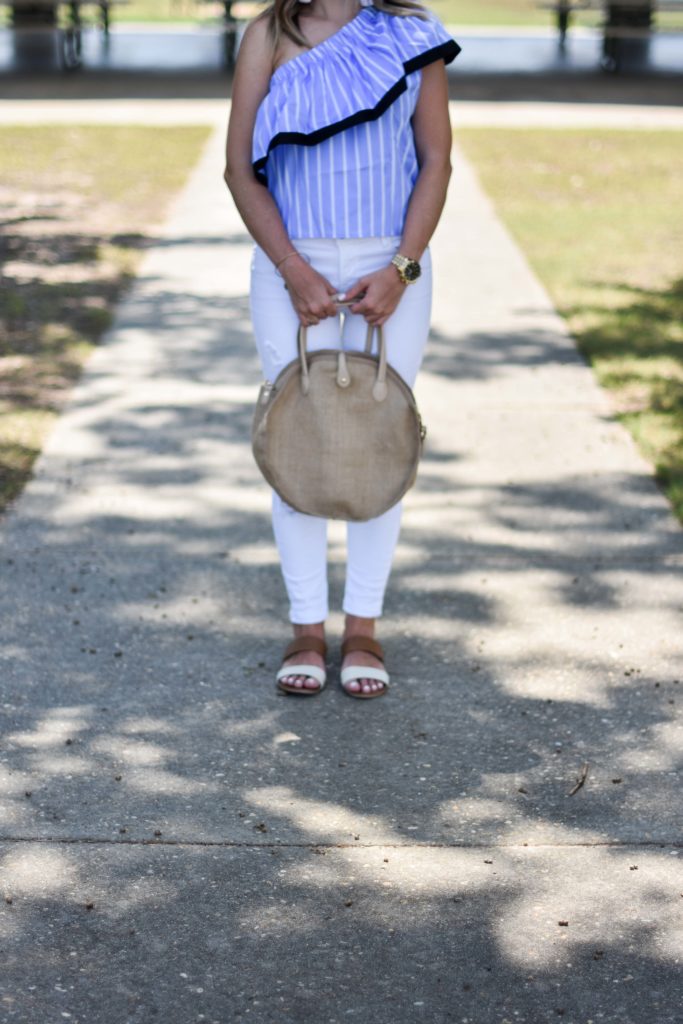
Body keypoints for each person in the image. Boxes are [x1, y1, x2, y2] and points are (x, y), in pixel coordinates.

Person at [224, 0, 461, 699]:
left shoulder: (413, 32)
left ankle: (362, 627)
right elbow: (240, 169)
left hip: (390, 271)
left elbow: (437, 160)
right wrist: (293, 270)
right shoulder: (268, 33)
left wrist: (402, 269)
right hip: (287, 268)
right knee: (296, 435)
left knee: (375, 442)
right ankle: (305, 626)